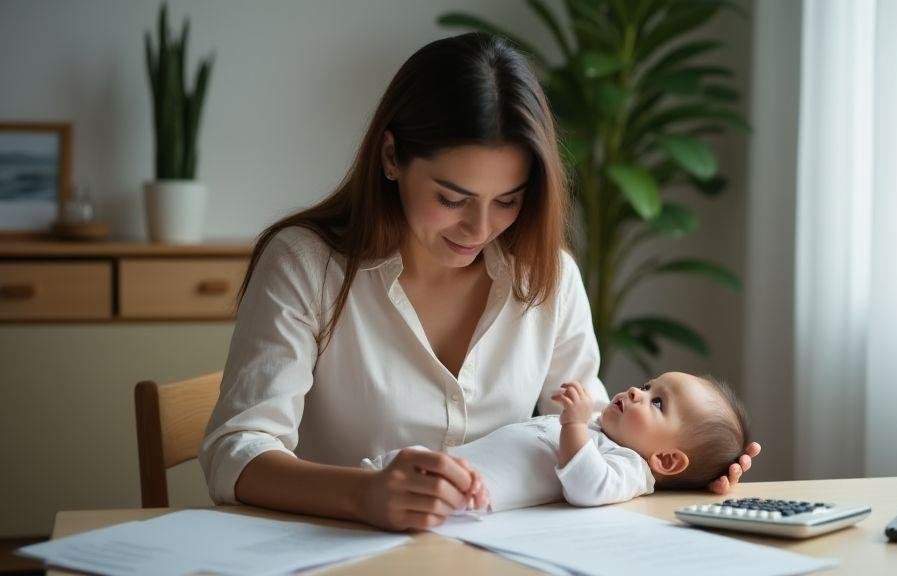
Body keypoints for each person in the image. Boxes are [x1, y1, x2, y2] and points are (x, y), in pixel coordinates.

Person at [198, 32, 760, 532]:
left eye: (508, 201)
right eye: (452, 198)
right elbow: (236, 452)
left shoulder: (548, 275)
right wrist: (364, 494)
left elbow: (590, 433)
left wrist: (680, 463)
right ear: (392, 157)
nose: (480, 228)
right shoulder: (306, 265)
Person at [362, 372, 749, 511]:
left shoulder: (631, 468)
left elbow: (587, 487)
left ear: (664, 460)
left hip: (462, 495)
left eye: (657, 402)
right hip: (438, 463)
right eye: (648, 385)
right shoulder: (600, 430)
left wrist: (575, 423)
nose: (636, 391)